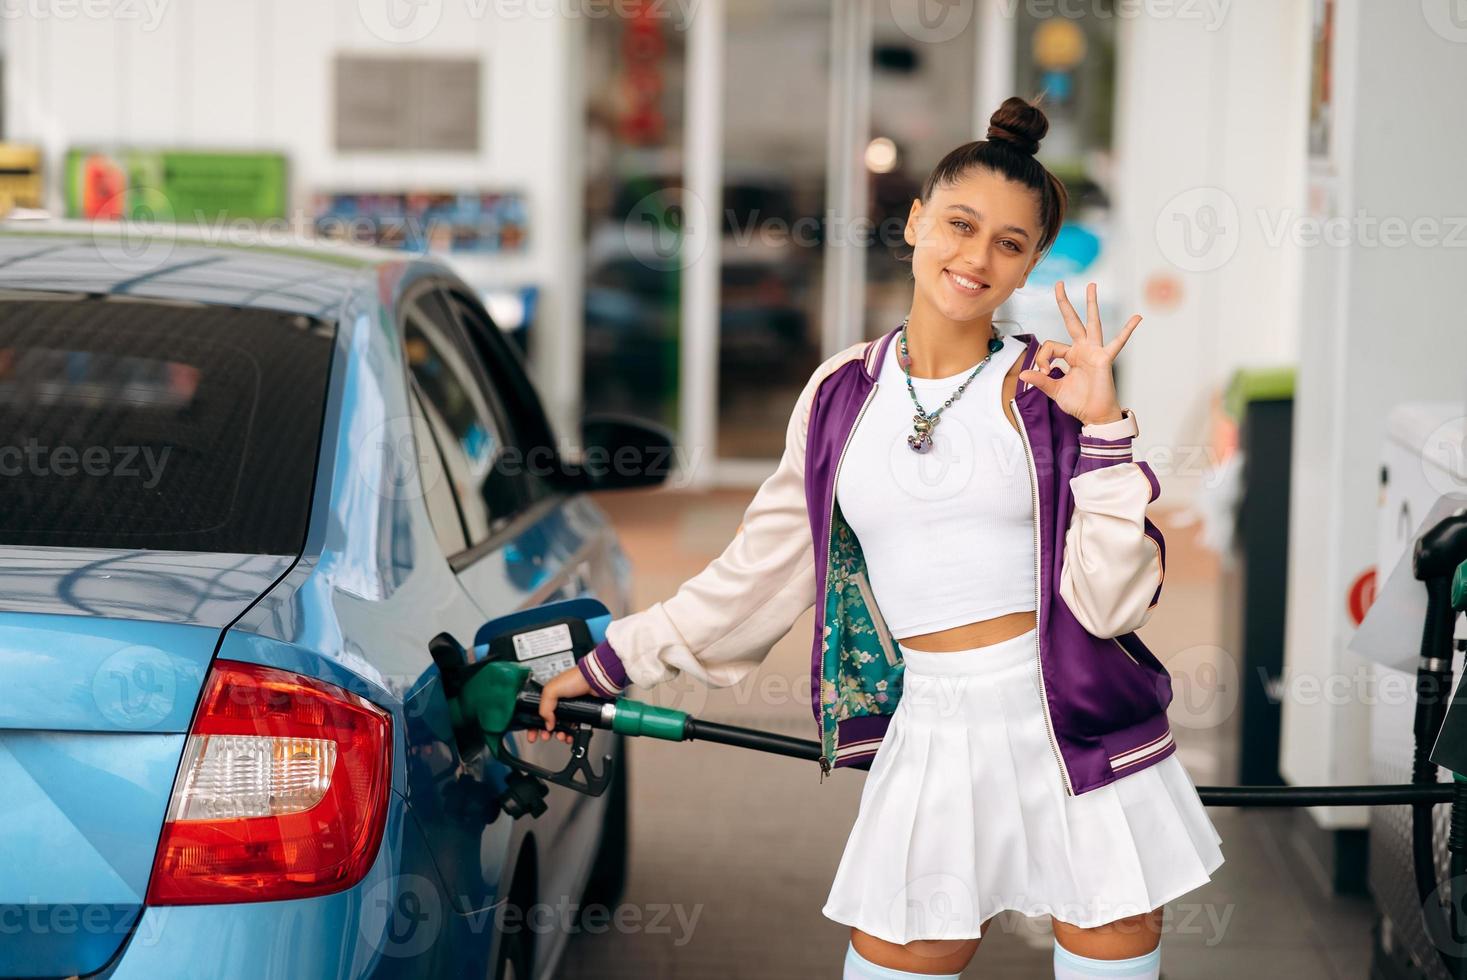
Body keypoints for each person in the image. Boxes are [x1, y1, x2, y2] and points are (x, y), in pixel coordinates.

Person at [532, 95, 1224, 980]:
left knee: (1106, 950)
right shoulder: (839, 395)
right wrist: (610, 662)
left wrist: (1103, 433)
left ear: (1028, 267)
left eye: (1008, 244)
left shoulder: (1049, 394)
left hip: (1071, 727)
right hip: (931, 722)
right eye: (960, 226)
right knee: (898, 959)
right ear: (914, 221)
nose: (975, 258)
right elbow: (759, 573)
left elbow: (1111, 600)